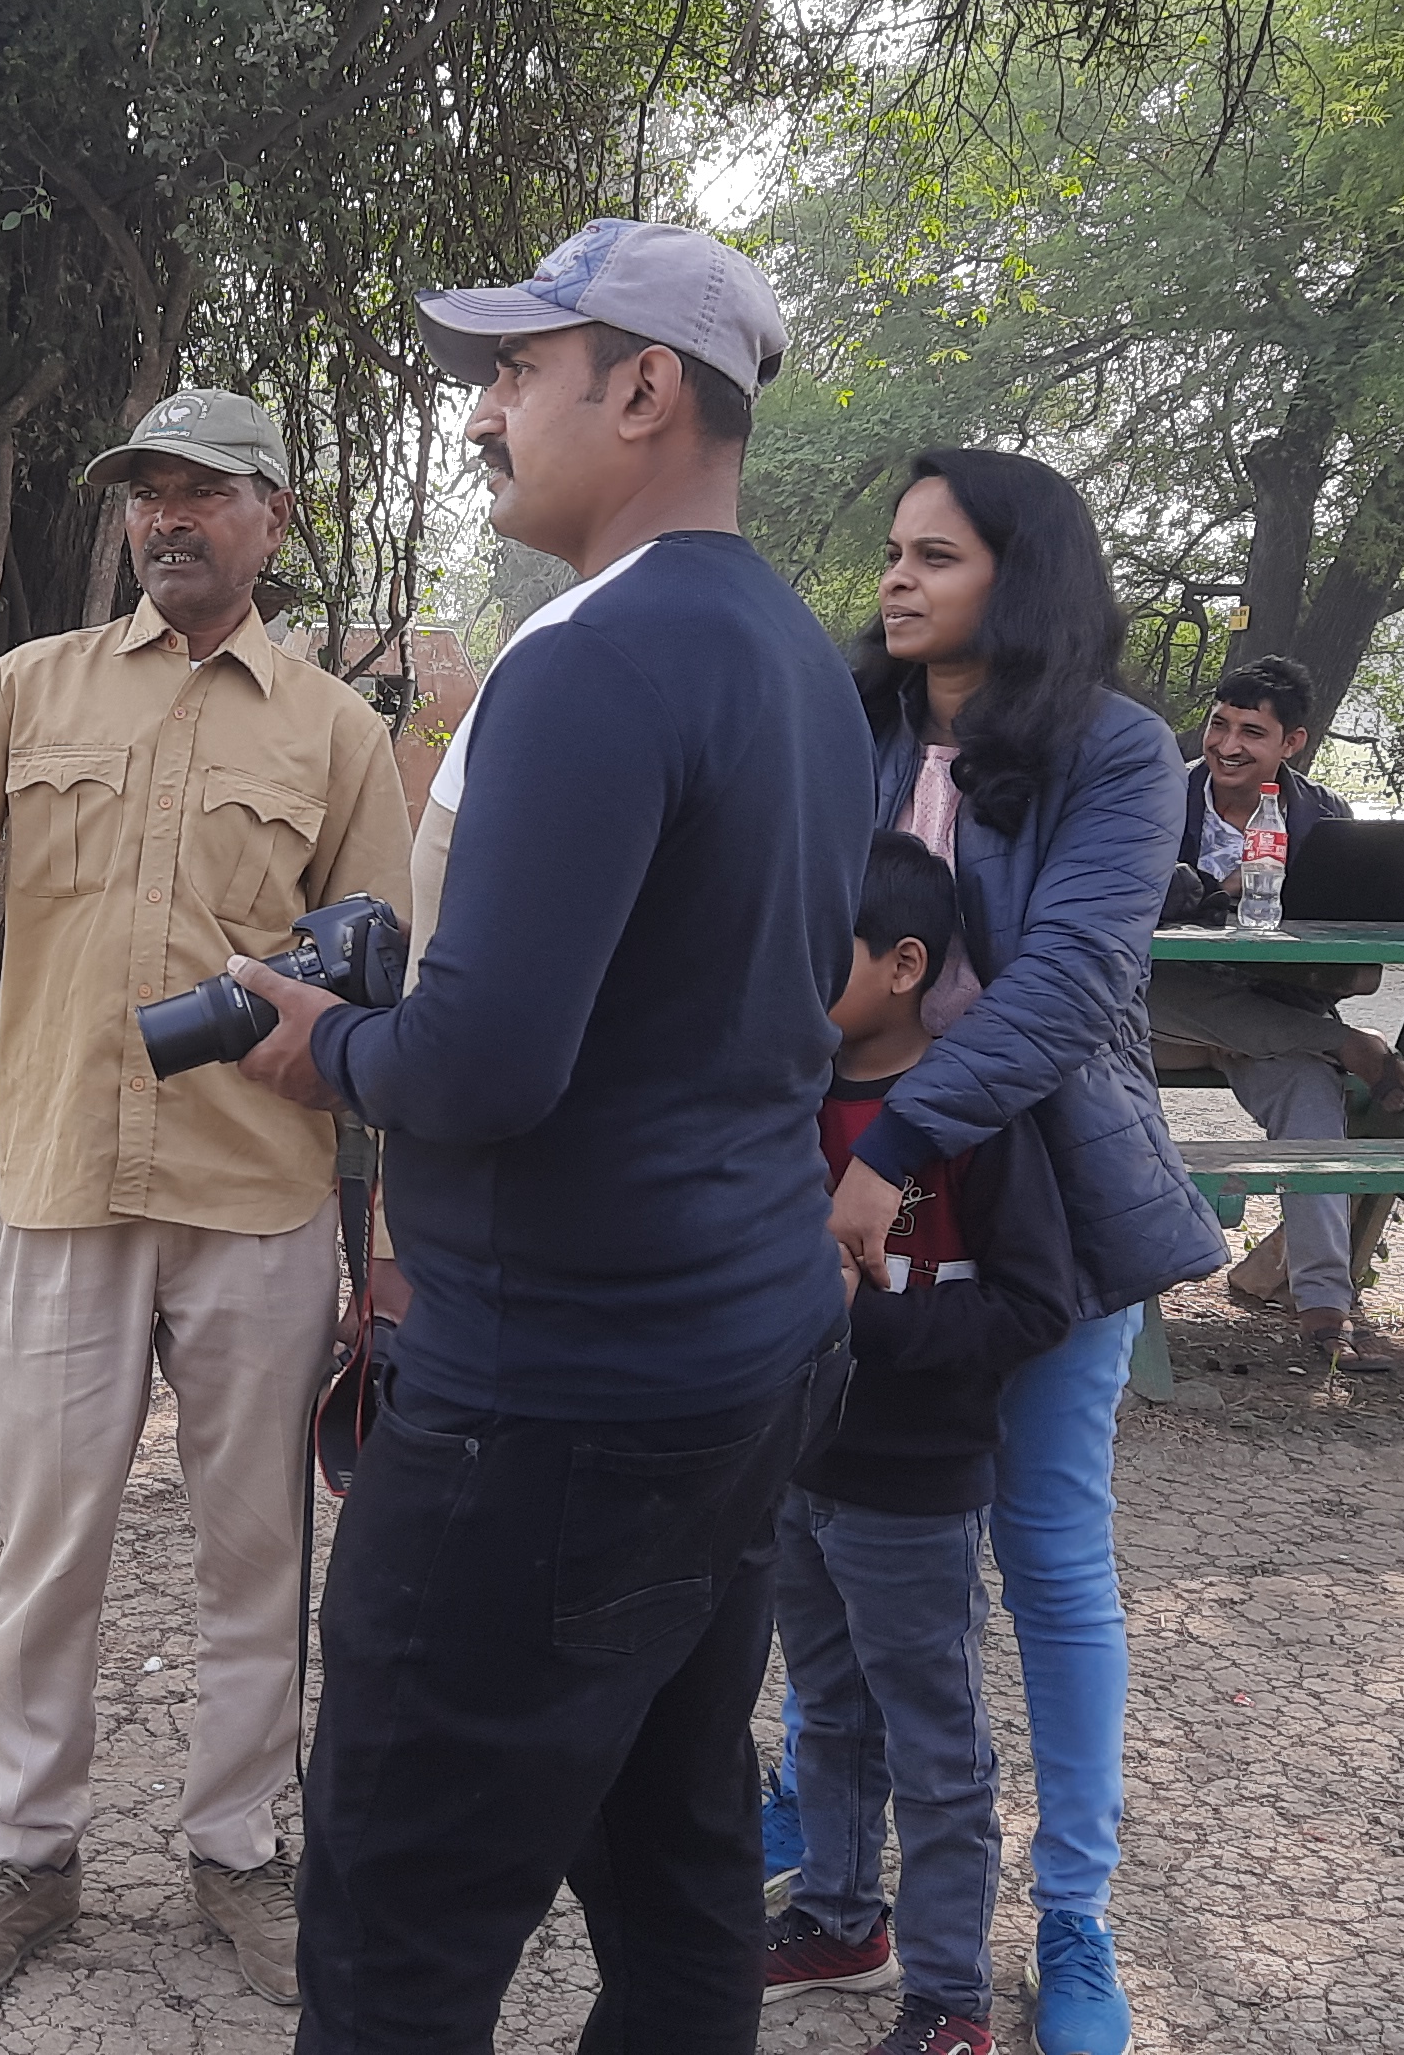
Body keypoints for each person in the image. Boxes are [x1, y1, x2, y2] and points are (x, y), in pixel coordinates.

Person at [226, 216, 874, 2052]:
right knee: (676, 1877)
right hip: (741, 1359)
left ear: (645, 389)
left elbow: (491, 1064)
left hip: (554, 1408)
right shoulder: (797, 660)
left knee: (400, 1934)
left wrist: (328, 1048)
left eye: (517, 373)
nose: (486, 416)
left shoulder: (587, 660)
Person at [0, 387, 415, 2004]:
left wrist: (384, 1249)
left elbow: (397, 1003)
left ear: (274, 515)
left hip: (261, 1205)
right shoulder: (32, 690)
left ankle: (242, 1855)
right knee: (47, 1547)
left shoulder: (336, 734)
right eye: (147, 494)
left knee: (260, 1556)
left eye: (205, 491)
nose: (169, 517)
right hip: (60, 1190)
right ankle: (26, 1857)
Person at [827, 447, 1224, 2055]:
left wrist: (904, 1143)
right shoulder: (841, 730)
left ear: (1024, 575)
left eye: (940, 554)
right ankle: (837, 1860)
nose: (899, 579)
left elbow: (1066, 990)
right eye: (895, 552)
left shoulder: (1118, 754)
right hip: (829, 1165)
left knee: (1046, 1551)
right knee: (823, 1518)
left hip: (1037, 1194)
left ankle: (1072, 1916)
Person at [759, 833, 1081, 2055]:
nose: (788, 972)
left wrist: (877, 1322)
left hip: (914, 1484)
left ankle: (950, 1997)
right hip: (797, 1468)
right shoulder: (781, 1098)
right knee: (825, 1712)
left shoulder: (969, 1116)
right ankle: (841, 1919)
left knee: (936, 1741)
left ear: (903, 965)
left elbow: (1036, 1305)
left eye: (816, 952)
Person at [1143, 654, 1404, 1369]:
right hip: (1156, 1020)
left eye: (1252, 732)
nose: (1227, 745)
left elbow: (1353, 959)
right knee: (1144, 989)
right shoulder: (1154, 796)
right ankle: (1340, 1044)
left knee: (1308, 1096)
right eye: (1218, 724)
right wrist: (1218, 889)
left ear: (1291, 744)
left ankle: (1327, 1309)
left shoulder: (1325, 819)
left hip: (1266, 1021)